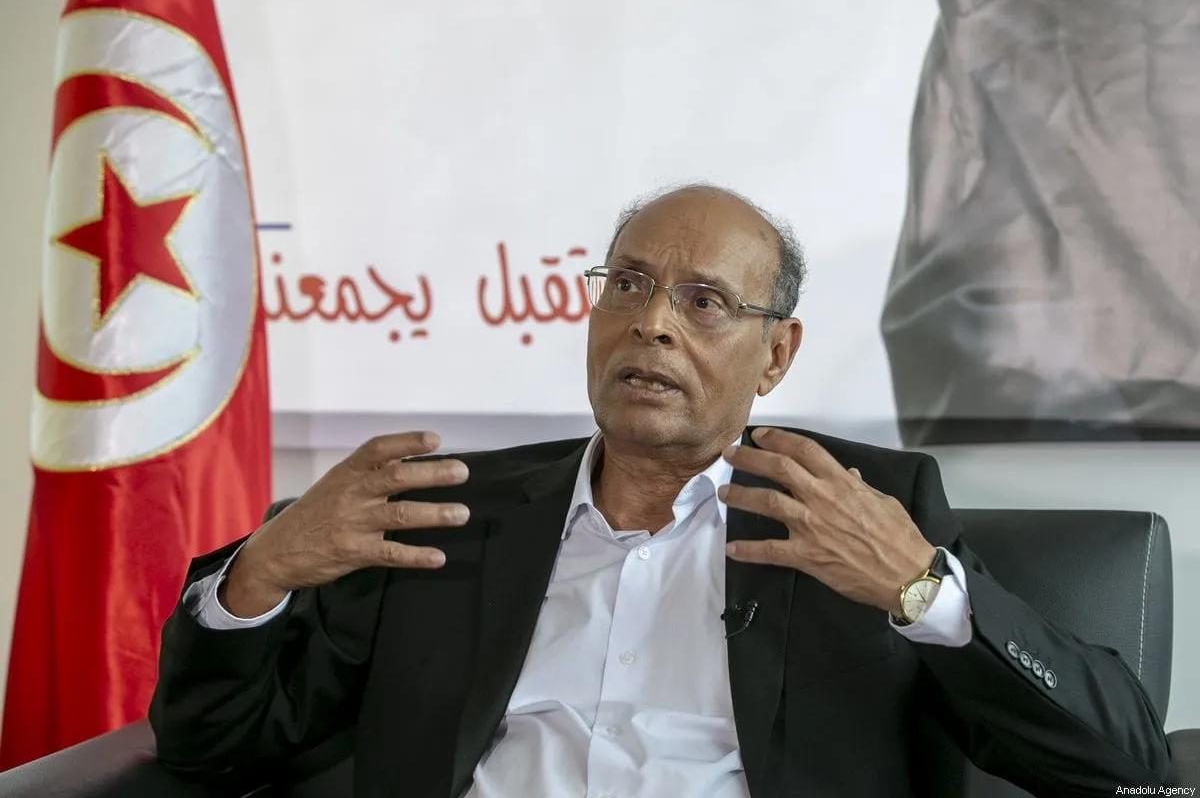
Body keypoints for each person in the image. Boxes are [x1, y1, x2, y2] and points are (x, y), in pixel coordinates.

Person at [149, 185, 1170, 797]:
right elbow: (211, 754)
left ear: (777, 355)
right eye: (628, 285)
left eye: (704, 300)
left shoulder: (862, 512)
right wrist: (258, 576)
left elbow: (1122, 764)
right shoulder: (452, 514)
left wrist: (920, 588)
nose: (652, 323)